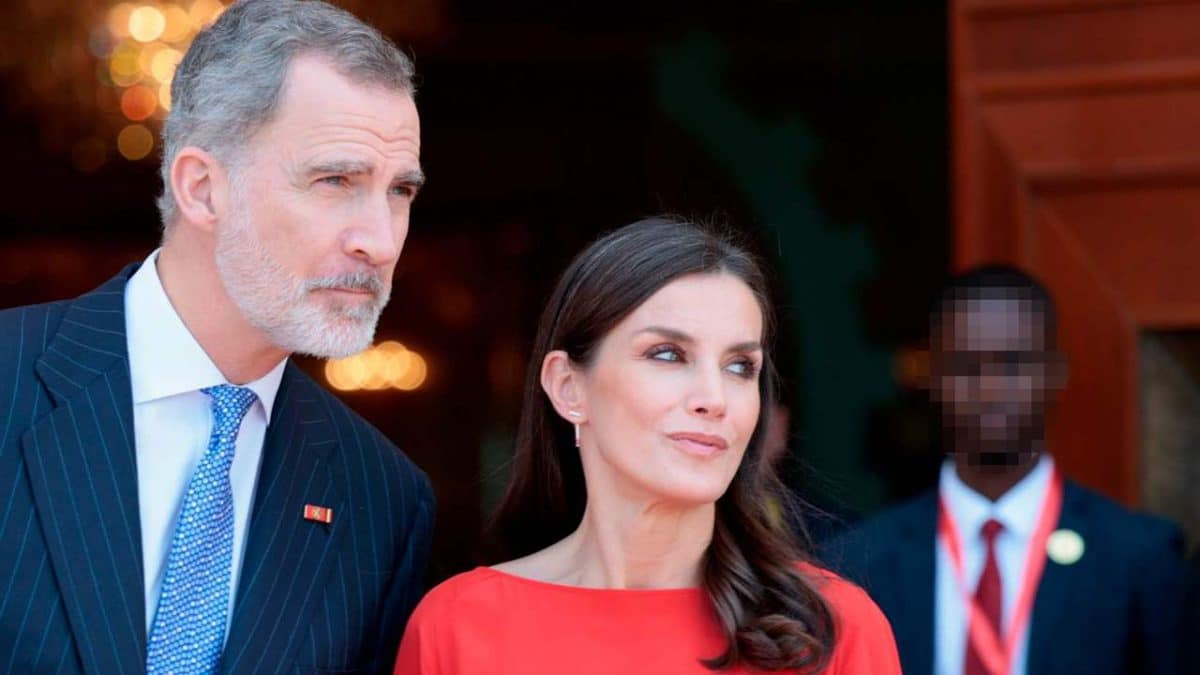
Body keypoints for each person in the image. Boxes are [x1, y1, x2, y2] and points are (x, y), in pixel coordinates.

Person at [0, 1, 433, 673]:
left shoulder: (382, 497)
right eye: (336, 180)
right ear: (202, 189)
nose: (378, 240)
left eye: (399, 191)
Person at [395, 218, 901, 674]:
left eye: (740, 366)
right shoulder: (458, 625)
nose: (714, 398)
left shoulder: (831, 628)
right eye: (667, 354)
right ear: (569, 388)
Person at [824, 265, 1186, 675]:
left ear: (1055, 373)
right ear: (932, 378)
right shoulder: (858, 559)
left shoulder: (1138, 558)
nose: (991, 389)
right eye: (965, 366)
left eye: (1014, 364)